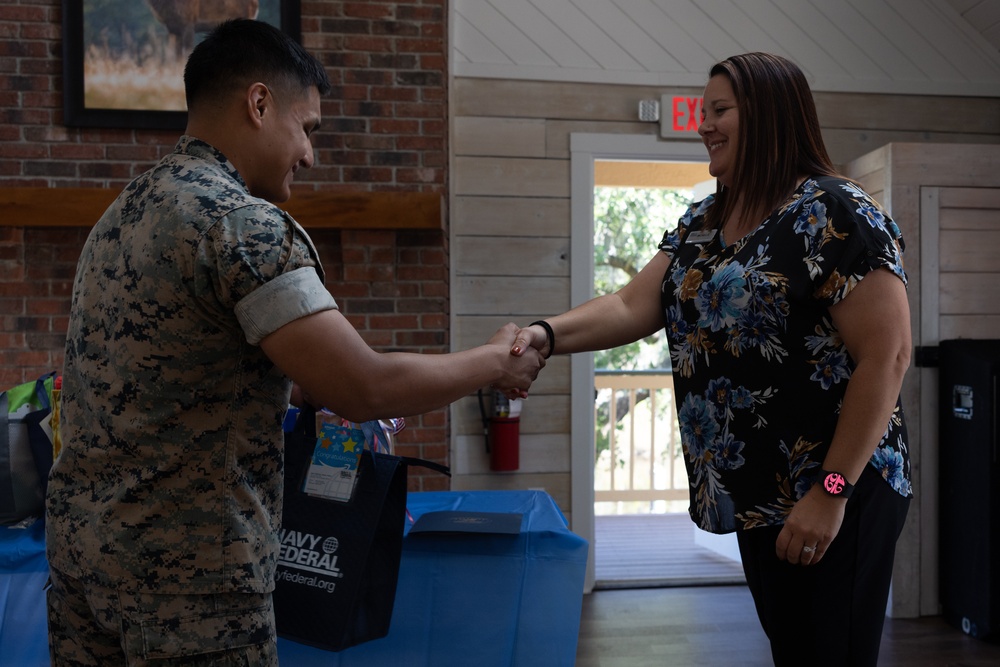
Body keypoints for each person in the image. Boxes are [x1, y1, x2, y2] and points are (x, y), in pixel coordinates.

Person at [45, 19, 543, 666]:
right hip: (192, 594)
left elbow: (170, 367)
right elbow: (363, 387)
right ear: (258, 104)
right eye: (307, 128)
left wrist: (287, 376)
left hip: (85, 573)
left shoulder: (123, 213)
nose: (309, 154)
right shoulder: (243, 225)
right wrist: (493, 362)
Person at [513, 52, 912, 667]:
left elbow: (887, 357)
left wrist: (831, 493)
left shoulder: (834, 211)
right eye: (704, 113)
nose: (705, 125)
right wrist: (545, 333)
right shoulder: (707, 220)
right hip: (757, 490)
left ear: (770, 117)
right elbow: (628, 305)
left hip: (839, 483)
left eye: (719, 110)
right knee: (796, 653)